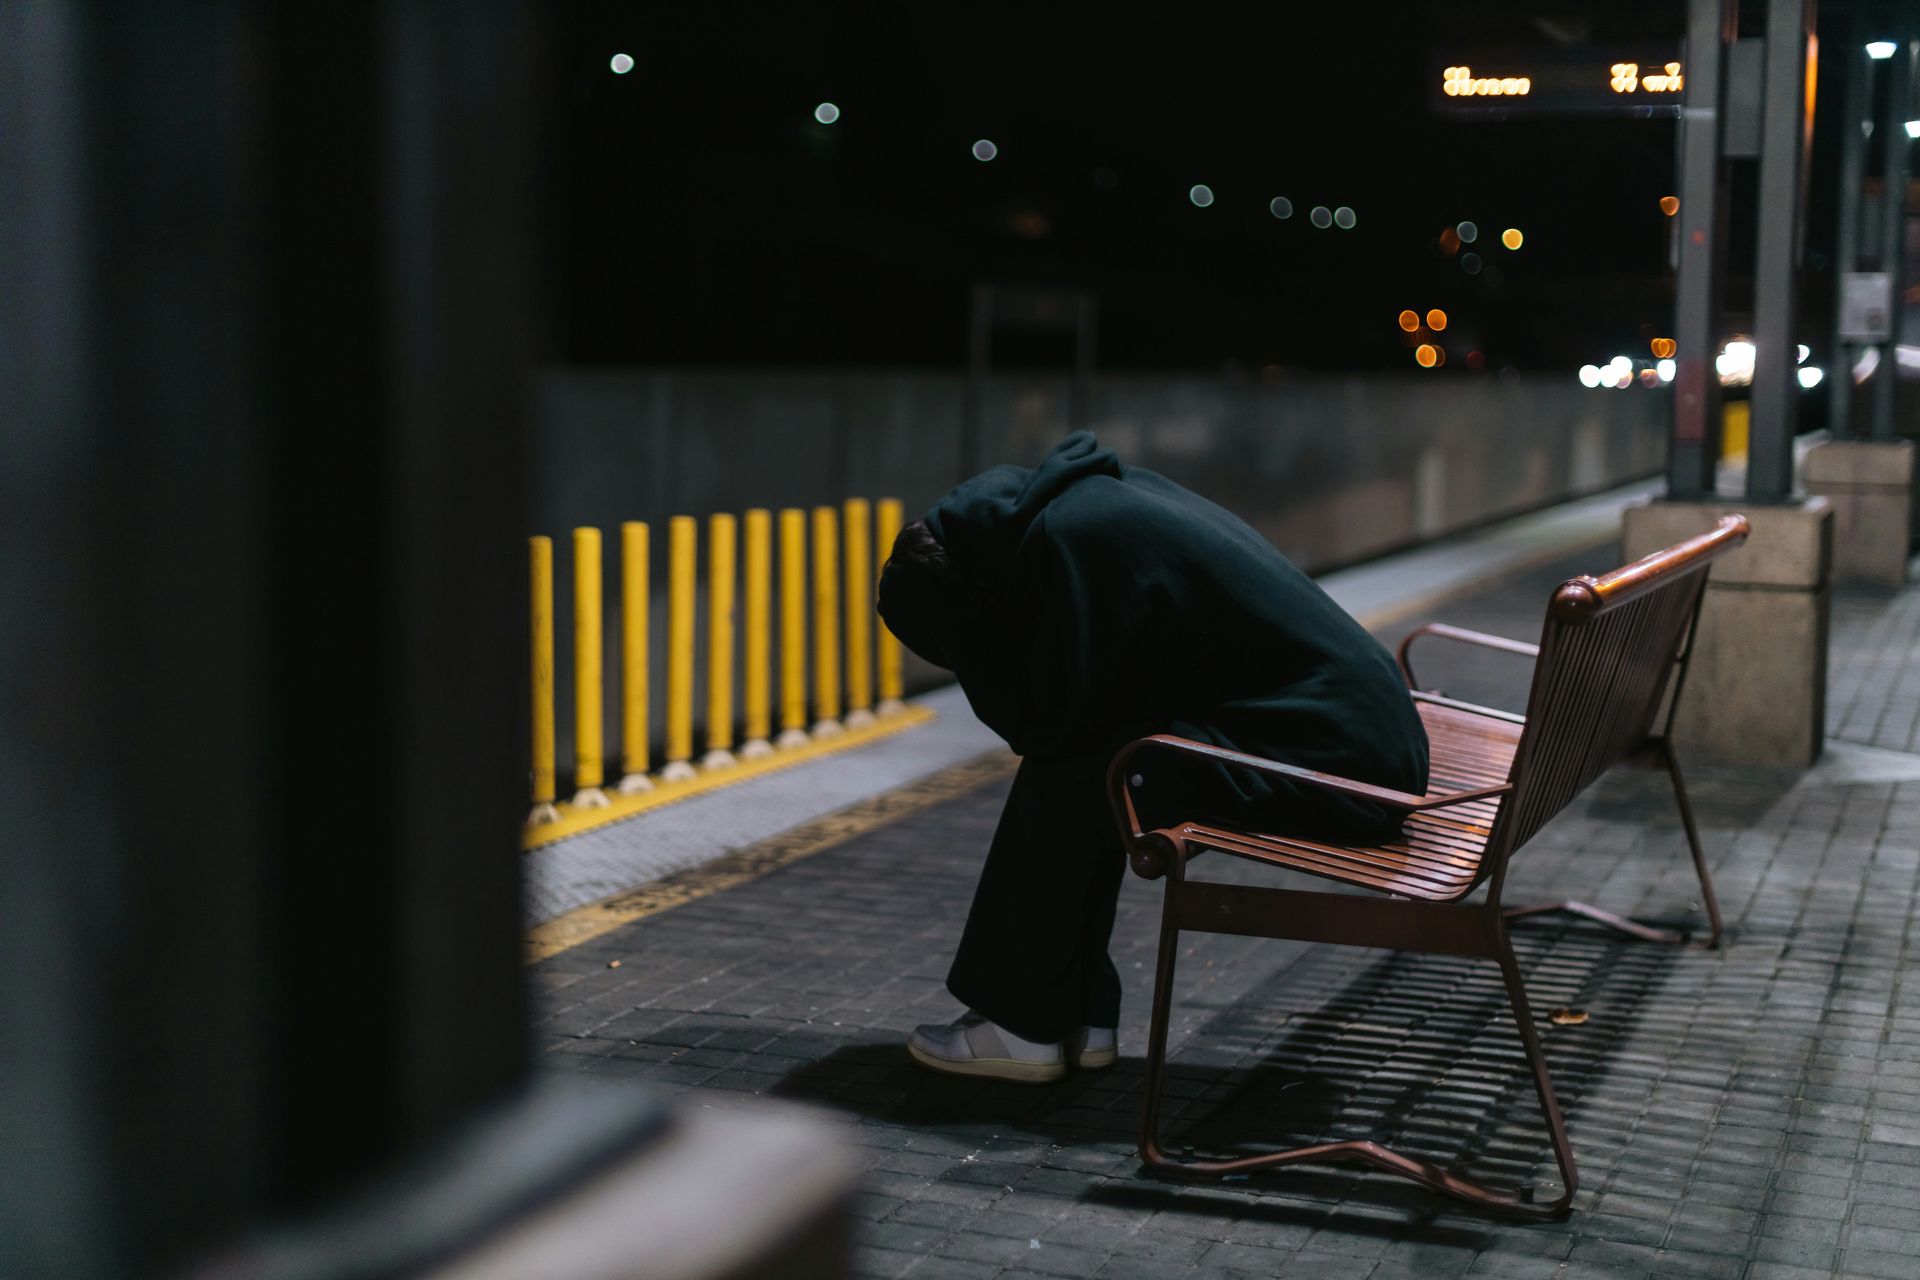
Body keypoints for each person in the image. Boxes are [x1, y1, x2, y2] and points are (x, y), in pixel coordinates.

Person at [876, 431, 1430, 1083]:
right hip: (1356, 739)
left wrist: (998, 665)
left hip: (1344, 768)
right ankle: (1075, 1016)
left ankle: (1025, 1029)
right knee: (1103, 764)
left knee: (1080, 770)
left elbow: (1049, 720)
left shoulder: (1078, 541)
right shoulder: (1088, 501)